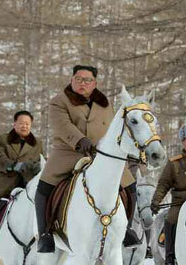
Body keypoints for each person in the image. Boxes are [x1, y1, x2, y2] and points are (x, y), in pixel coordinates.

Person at [35, 65, 138, 253]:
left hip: (102, 153)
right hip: (69, 151)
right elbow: (62, 126)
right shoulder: (59, 101)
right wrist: (80, 140)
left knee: (130, 186)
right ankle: (45, 234)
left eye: (87, 80)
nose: (82, 83)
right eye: (78, 78)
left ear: (95, 83)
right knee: (44, 187)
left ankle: (127, 229)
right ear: (72, 80)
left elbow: (115, 128)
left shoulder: (104, 102)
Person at [0, 110, 44, 249]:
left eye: (28, 124)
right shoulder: (3, 139)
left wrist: (35, 167)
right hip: (6, 180)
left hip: (28, 181)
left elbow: (42, 159)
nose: (24, 126)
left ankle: (46, 235)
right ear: (14, 124)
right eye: (21, 123)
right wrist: (13, 166)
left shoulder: (37, 143)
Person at [151, 123, 186, 265]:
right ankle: (170, 256)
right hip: (179, 202)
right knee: (171, 219)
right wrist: (156, 201)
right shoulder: (173, 163)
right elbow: (163, 184)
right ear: (183, 142)